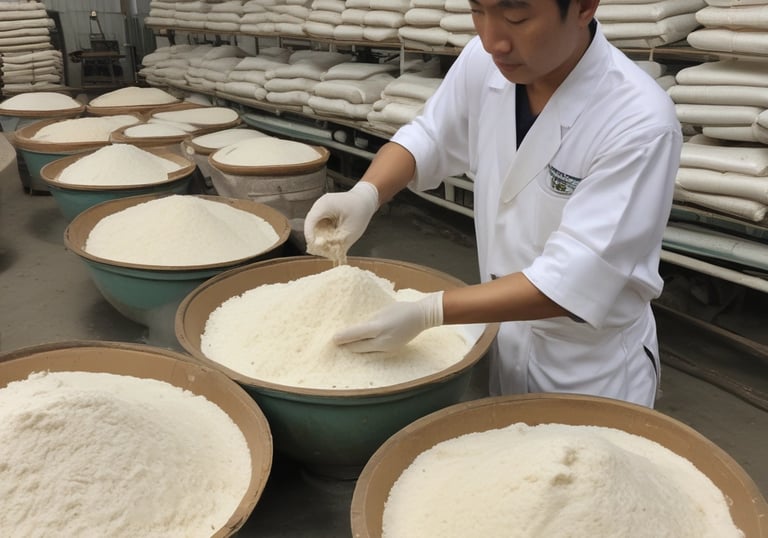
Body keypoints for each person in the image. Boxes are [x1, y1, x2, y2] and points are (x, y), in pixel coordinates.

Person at [303, 0, 682, 408]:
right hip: (507, 342)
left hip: (590, 372)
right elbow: (430, 136)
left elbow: (571, 279)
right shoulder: (485, 65)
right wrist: (366, 193)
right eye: (478, 11)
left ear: (583, 7)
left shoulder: (639, 122)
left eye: (516, 18)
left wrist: (429, 311)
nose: (492, 40)